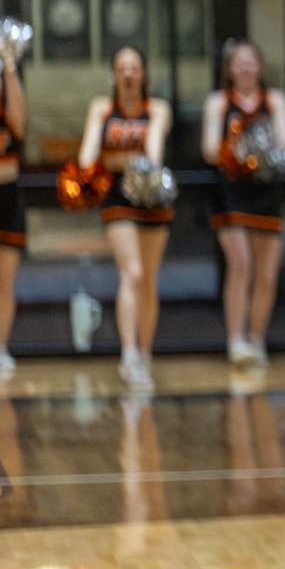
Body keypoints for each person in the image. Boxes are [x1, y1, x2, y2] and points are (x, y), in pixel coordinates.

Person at [77, 46, 173, 391]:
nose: (129, 73)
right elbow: (88, 153)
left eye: (134, 67)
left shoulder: (158, 109)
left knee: (148, 279)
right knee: (131, 272)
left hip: (152, 194)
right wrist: (90, 167)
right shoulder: (102, 109)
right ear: (114, 75)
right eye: (122, 68)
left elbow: (153, 151)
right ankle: (129, 354)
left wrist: (139, 163)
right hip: (117, 196)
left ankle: (144, 353)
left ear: (144, 74)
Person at [201, 40, 285, 369]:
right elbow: (210, 149)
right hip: (231, 191)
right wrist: (242, 153)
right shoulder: (218, 102)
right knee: (241, 265)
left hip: (267, 190)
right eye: (237, 63)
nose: (244, 68)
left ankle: (257, 340)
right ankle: (235, 341)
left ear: (261, 67)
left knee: (267, 275)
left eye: (250, 62)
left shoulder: (276, 100)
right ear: (228, 70)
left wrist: (262, 154)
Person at [0, 44, 26, 373]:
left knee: (3, 282)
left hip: (7, 203)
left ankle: (0, 348)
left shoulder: (10, 116)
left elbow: (21, 120)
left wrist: (8, 63)